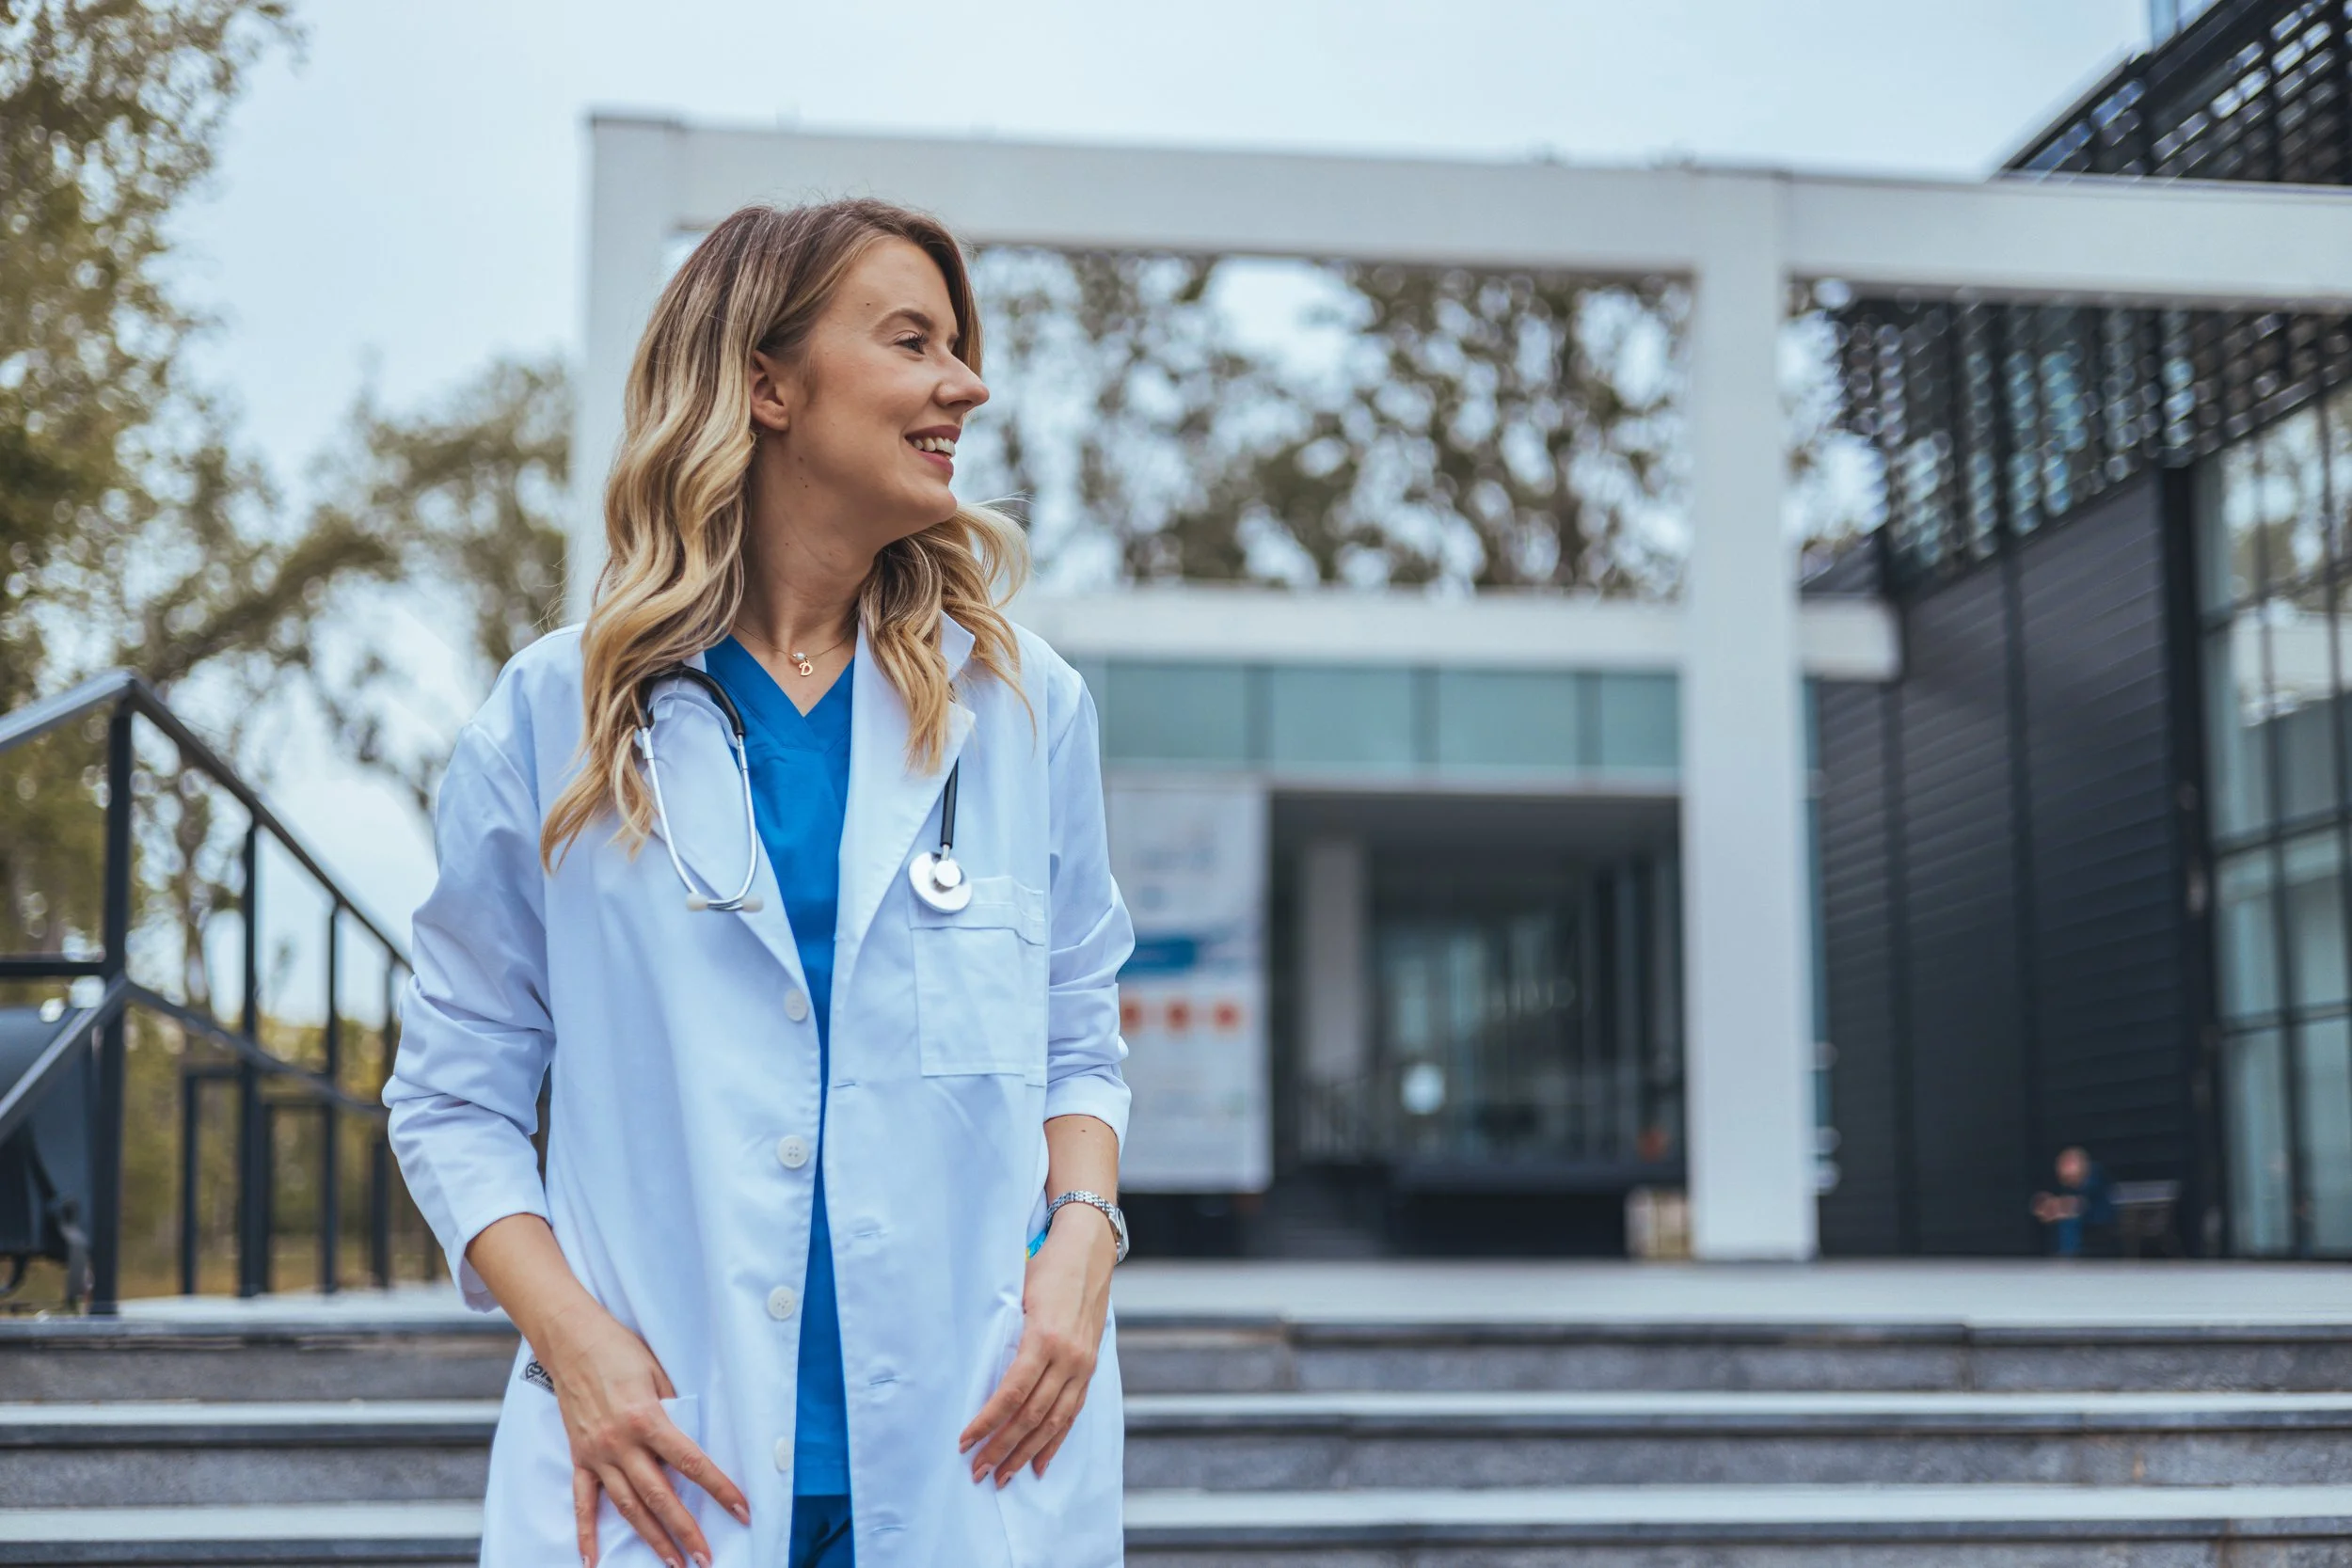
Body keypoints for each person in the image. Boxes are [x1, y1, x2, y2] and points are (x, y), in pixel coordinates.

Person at [383, 199, 1136, 1568]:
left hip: (979, 1445)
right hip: (669, 1453)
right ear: (767, 383)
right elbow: (452, 1091)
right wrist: (578, 1345)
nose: (964, 385)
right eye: (913, 341)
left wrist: (1082, 1242)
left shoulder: (1025, 709)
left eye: (959, 348)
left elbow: (1078, 1028)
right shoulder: (558, 715)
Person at [2031, 1145, 2114, 1258]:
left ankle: (2068, 1259)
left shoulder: (2095, 1177)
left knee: (2069, 1220)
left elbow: (2082, 1203)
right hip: (2082, 1216)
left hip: (2099, 1215)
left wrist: (2061, 1207)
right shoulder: (2068, 1184)